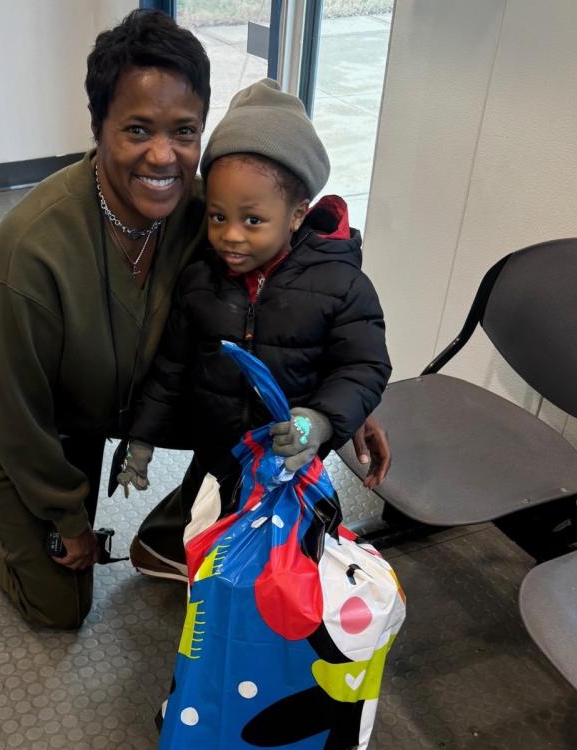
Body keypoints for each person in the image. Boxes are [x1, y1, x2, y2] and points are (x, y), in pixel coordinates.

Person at [0, 10, 391, 630]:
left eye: (185, 131)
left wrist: (345, 404)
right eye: (138, 129)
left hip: (107, 394)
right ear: (98, 127)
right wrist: (67, 519)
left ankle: (174, 536)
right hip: (4, 416)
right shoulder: (29, 257)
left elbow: (299, 292)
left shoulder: (207, 210)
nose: (164, 155)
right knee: (60, 605)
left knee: (265, 404)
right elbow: (15, 415)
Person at [117, 79, 391, 559]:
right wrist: (141, 439)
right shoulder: (200, 280)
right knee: (211, 544)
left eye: (253, 220)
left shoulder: (340, 284)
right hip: (216, 452)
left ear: (297, 215)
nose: (231, 237)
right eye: (218, 217)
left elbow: (363, 367)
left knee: (286, 561)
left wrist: (322, 421)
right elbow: (171, 368)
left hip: (292, 462)